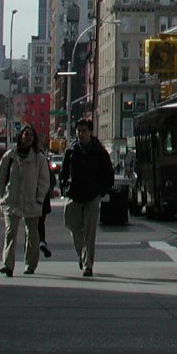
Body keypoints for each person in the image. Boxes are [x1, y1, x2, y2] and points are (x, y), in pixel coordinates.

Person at [0, 126, 51, 277]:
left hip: (31, 201)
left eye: (32, 135)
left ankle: (30, 264)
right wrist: (1, 197)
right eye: (26, 134)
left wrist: (39, 199)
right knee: (10, 232)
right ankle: (7, 264)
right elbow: (0, 177)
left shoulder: (39, 158)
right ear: (21, 136)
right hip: (12, 200)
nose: (29, 137)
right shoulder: (10, 156)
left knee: (32, 233)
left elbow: (44, 181)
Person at [61, 118, 114, 277]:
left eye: (84, 130)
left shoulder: (99, 151)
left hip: (92, 194)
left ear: (90, 132)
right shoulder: (71, 151)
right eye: (79, 131)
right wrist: (65, 186)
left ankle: (88, 265)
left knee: (90, 232)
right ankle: (82, 254)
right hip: (74, 193)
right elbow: (64, 172)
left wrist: (102, 190)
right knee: (72, 224)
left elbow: (108, 173)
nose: (81, 134)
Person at [33, 127, 55, 258]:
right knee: (40, 222)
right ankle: (41, 241)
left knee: (31, 224)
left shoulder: (28, 158)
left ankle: (33, 246)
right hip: (43, 197)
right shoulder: (43, 159)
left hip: (31, 196)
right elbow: (50, 178)